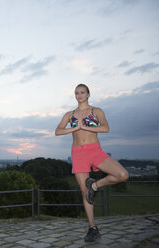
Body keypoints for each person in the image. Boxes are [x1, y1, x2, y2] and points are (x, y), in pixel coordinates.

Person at [55, 83, 129, 242]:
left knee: (122, 174)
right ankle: (92, 228)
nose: (79, 95)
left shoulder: (97, 111)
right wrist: (74, 129)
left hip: (95, 151)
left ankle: (95, 185)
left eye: (82, 92)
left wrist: (86, 127)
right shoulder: (70, 114)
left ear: (88, 94)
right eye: (76, 93)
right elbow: (58, 131)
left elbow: (105, 128)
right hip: (77, 153)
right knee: (84, 193)